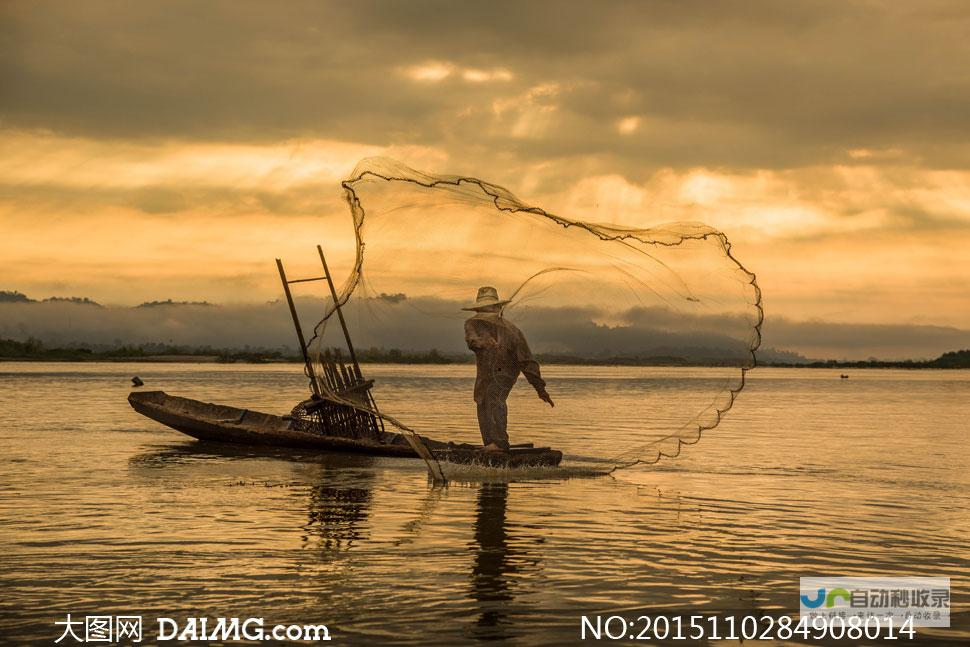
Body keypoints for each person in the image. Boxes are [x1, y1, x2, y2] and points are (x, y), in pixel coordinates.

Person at [463, 286, 554, 452]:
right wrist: (486, 342)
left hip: (506, 374)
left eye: (489, 309)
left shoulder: (512, 331)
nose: (485, 313)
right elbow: (472, 341)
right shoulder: (473, 323)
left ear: (498, 309)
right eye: (482, 309)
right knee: (481, 401)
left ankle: (499, 443)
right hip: (485, 374)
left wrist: (540, 389)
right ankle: (490, 444)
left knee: (494, 396)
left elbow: (527, 361)